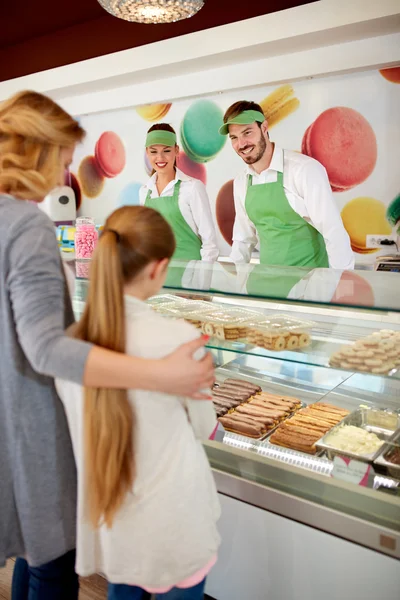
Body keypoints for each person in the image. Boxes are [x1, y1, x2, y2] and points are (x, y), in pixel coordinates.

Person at [0, 90, 214, 600]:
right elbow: (46, 349)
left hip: (9, 413)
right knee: (53, 564)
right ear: (40, 151)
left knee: (36, 554)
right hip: (30, 421)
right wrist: (164, 374)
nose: (63, 179)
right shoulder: (26, 224)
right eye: (63, 161)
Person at [56, 205, 220, 600]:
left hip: (115, 519)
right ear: (157, 268)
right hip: (176, 519)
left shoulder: (71, 343)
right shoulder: (179, 337)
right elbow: (205, 427)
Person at [219, 100, 354, 271]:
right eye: (234, 138)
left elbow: (333, 233)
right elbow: (243, 239)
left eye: (247, 133)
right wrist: (231, 281)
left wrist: (341, 285)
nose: (241, 144)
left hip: (310, 287)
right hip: (268, 285)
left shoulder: (305, 170)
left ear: (264, 128)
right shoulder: (241, 181)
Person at [140, 123, 219, 264]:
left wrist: (202, 281)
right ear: (147, 152)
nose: (160, 157)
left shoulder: (193, 187)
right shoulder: (145, 191)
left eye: (166, 150)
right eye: (153, 151)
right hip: (157, 275)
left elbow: (209, 243)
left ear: (176, 150)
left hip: (190, 276)